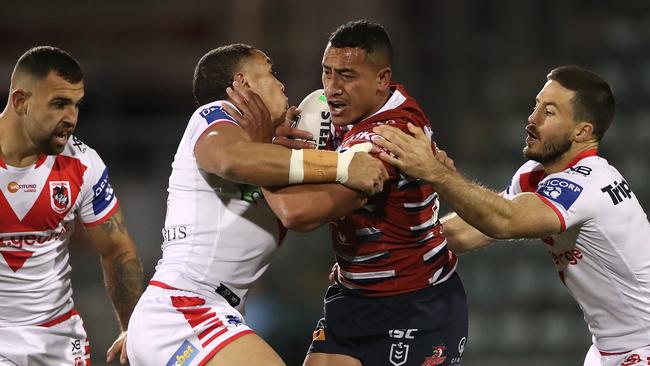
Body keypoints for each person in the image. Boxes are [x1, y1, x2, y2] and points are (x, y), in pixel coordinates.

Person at [125, 43, 389, 366]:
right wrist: (343, 166)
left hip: (200, 314)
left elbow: (297, 215)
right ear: (243, 84)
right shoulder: (216, 114)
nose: (280, 84)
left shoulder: (276, 160)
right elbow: (230, 159)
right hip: (186, 307)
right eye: (270, 72)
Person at [372, 65, 650, 366]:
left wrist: (434, 172)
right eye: (536, 105)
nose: (533, 119)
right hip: (608, 349)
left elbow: (504, 221)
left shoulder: (588, 183)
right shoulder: (536, 175)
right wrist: (379, 254)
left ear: (582, 132)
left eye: (550, 112)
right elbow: (469, 230)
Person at [261, 20, 468, 366]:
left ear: (382, 79)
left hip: (414, 305)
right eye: (327, 72)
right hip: (354, 294)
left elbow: (297, 214)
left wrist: (267, 163)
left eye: (347, 75)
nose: (332, 88)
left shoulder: (388, 140)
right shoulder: (338, 110)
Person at [0, 46, 144, 365]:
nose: (71, 118)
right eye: (59, 104)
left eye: (77, 105)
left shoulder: (82, 164)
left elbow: (117, 248)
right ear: (20, 101)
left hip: (60, 342)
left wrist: (131, 327)